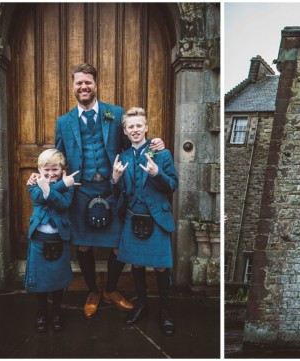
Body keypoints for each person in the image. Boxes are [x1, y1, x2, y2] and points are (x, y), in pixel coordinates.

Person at [29, 63, 164, 318]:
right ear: (72, 87)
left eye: (87, 82)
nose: (83, 86)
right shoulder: (64, 122)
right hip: (80, 192)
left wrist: (155, 146)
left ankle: (111, 290)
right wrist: (42, 174)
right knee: (82, 247)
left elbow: (132, 145)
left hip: (112, 190)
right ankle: (92, 291)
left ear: (95, 85)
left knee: (117, 245)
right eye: (79, 83)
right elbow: (58, 156)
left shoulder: (114, 114)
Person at [111, 107, 178, 336]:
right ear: (125, 131)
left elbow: (172, 185)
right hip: (132, 216)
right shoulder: (123, 157)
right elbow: (120, 191)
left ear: (146, 127)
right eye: (131, 127)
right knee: (137, 264)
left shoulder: (162, 154)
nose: (135, 130)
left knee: (160, 266)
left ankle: (166, 310)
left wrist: (157, 173)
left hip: (156, 217)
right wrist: (115, 179)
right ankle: (141, 303)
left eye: (139, 125)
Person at [25, 149, 80, 332]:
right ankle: (41, 311)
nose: (50, 173)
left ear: (62, 169)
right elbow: (39, 198)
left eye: (55, 169)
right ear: (39, 170)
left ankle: (56, 311)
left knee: (58, 279)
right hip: (39, 238)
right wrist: (62, 184)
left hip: (59, 237)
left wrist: (54, 187)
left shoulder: (69, 185)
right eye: (46, 170)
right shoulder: (33, 184)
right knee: (40, 279)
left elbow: (63, 204)